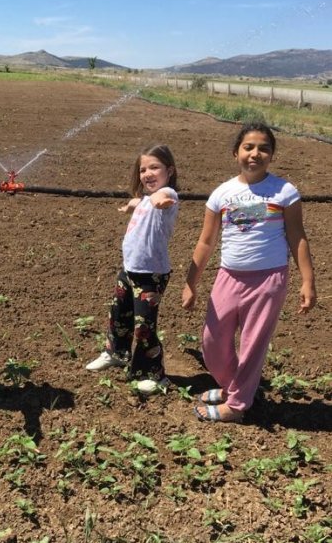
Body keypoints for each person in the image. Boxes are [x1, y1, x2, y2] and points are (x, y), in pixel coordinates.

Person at [182, 121, 316, 423]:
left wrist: (308, 281)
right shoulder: (222, 193)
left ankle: (238, 406)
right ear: (235, 153)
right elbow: (206, 241)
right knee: (212, 343)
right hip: (228, 277)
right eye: (248, 147)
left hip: (269, 279)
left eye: (264, 148)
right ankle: (234, 387)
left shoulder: (284, 191)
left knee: (253, 343)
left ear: (271, 155)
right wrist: (191, 282)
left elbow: (297, 236)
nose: (255, 153)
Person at [86, 145, 179, 391]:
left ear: (169, 171)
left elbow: (162, 198)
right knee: (119, 313)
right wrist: (132, 205)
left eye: (154, 168)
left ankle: (155, 375)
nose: (147, 173)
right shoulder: (147, 200)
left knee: (144, 326)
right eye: (143, 169)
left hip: (151, 275)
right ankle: (116, 353)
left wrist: (159, 200)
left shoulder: (167, 194)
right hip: (130, 270)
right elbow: (144, 201)